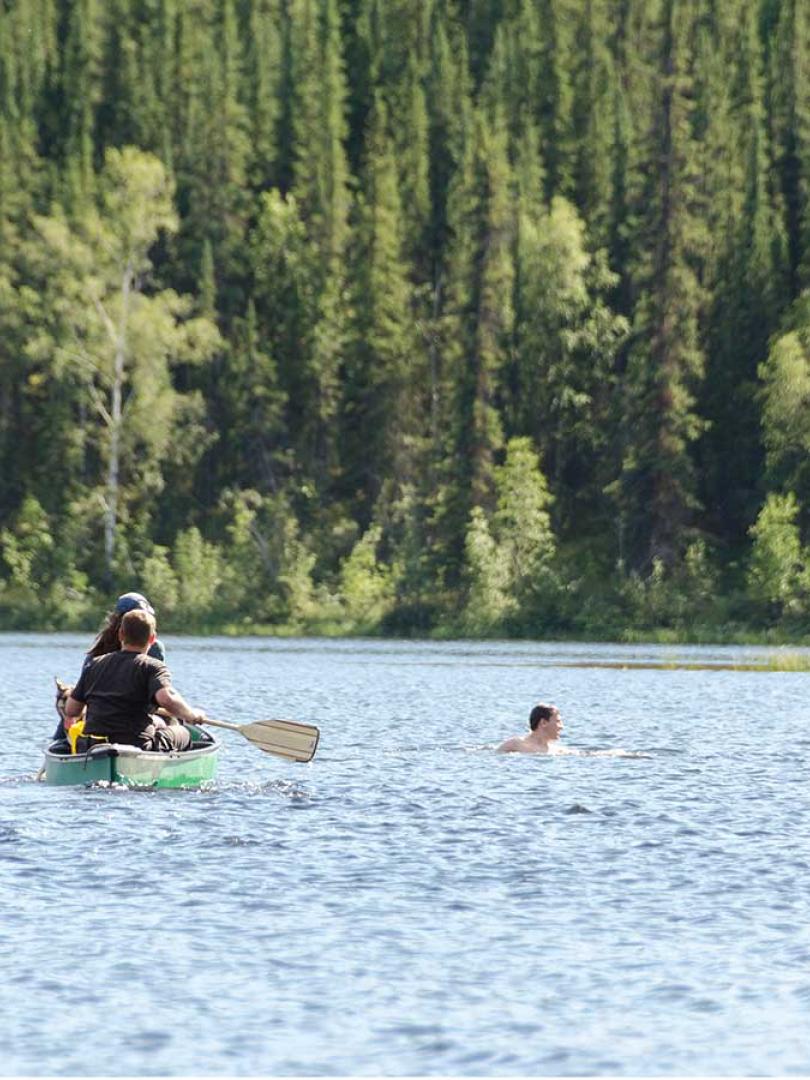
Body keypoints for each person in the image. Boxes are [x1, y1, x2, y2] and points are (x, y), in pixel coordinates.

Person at [61, 608, 206, 753]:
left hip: (92, 746)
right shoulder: (152, 666)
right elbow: (166, 698)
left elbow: (71, 709)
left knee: (158, 724)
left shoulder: (94, 664)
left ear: (120, 634)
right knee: (185, 733)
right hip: (137, 746)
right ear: (152, 638)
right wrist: (191, 714)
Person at [53, 591, 166, 740]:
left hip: (100, 720)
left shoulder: (95, 656)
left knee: (68, 726)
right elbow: (158, 693)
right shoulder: (153, 647)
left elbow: (78, 700)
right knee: (170, 727)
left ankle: (62, 745)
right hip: (134, 719)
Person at [497, 703, 564, 754]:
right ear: (543, 723)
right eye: (558, 722)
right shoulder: (515, 744)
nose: (561, 727)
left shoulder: (558, 751)